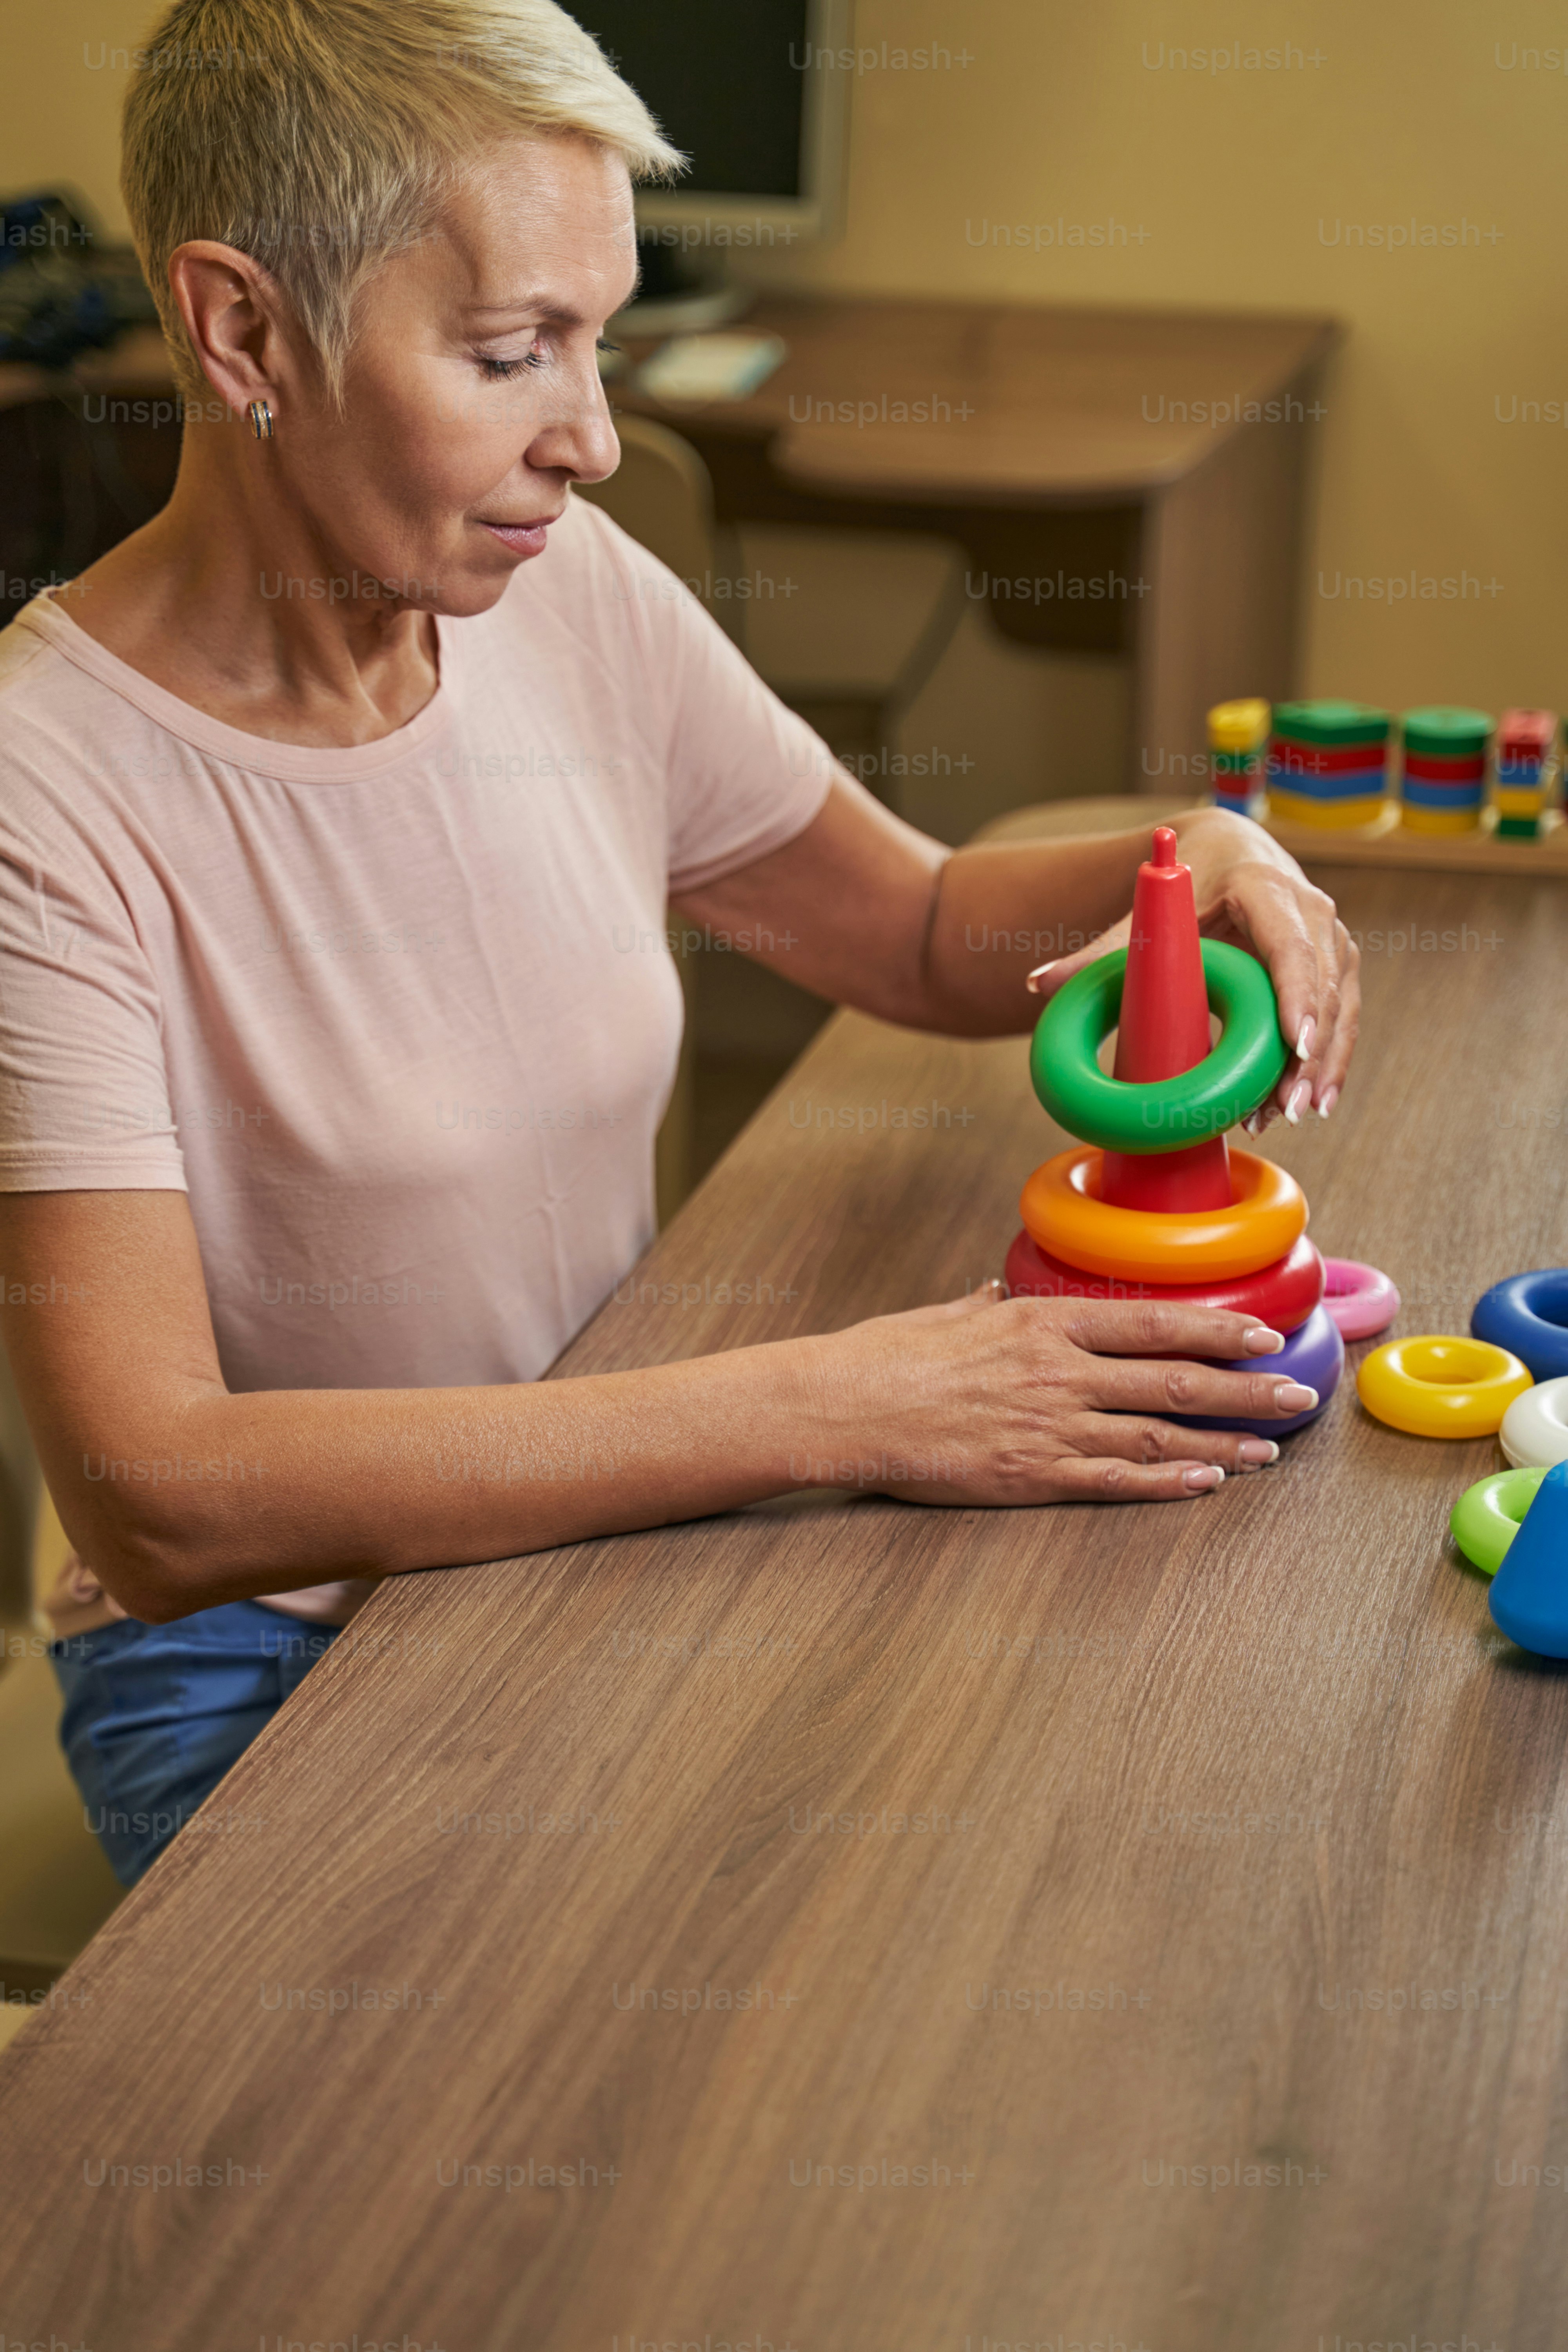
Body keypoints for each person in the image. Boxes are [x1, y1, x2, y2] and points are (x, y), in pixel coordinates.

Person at [0, 0, 1359, 1886]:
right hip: (260, 1652)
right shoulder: (43, 799)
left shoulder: (561, 602)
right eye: (508, 353)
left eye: (599, 343)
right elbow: (156, 1497)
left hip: (609, 1499)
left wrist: (1177, 860)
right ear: (243, 332)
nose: (597, 443)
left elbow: (912, 930)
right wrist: (840, 1404)